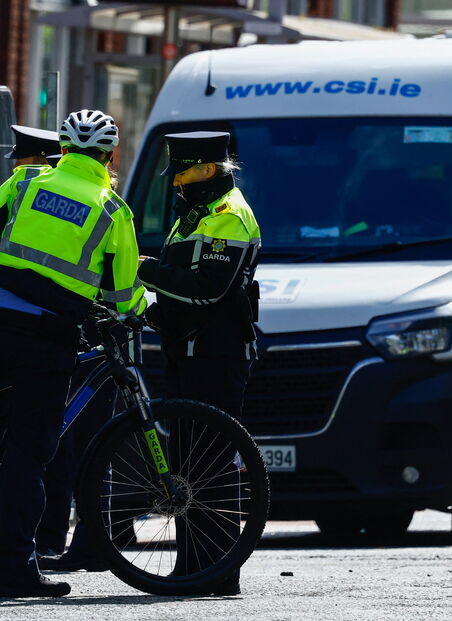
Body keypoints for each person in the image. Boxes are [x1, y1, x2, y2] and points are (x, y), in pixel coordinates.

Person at [0, 109, 146, 597]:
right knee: (30, 453)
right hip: (47, 341)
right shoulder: (111, 209)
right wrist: (141, 311)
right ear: (108, 156)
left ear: (63, 148)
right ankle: (16, 567)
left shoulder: (22, 185)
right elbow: (125, 295)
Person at [136, 131, 261, 596]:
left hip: (217, 355)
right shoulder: (194, 215)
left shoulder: (230, 218)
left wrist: (142, 267)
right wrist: (148, 314)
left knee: (212, 463)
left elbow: (205, 289)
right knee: (186, 465)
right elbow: (178, 293)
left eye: (182, 173)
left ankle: (220, 570)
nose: (175, 184)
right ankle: (191, 565)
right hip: (185, 352)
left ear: (209, 169)